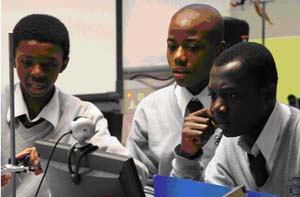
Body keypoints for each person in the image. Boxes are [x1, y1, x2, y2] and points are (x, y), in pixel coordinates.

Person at [1, 14, 148, 196]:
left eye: (49, 64)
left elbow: (136, 175)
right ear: (12, 60)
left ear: (64, 64)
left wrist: (63, 155)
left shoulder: (84, 116)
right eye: (27, 62)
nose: (37, 72)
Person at [172, 42, 300, 196]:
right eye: (213, 95)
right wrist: (188, 156)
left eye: (231, 95)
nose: (215, 108)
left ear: (267, 95)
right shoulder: (231, 142)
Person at [126, 4, 225, 187]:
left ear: (219, 51)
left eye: (193, 48)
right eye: (172, 46)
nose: (178, 56)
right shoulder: (149, 110)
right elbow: (137, 185)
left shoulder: (236, 110)